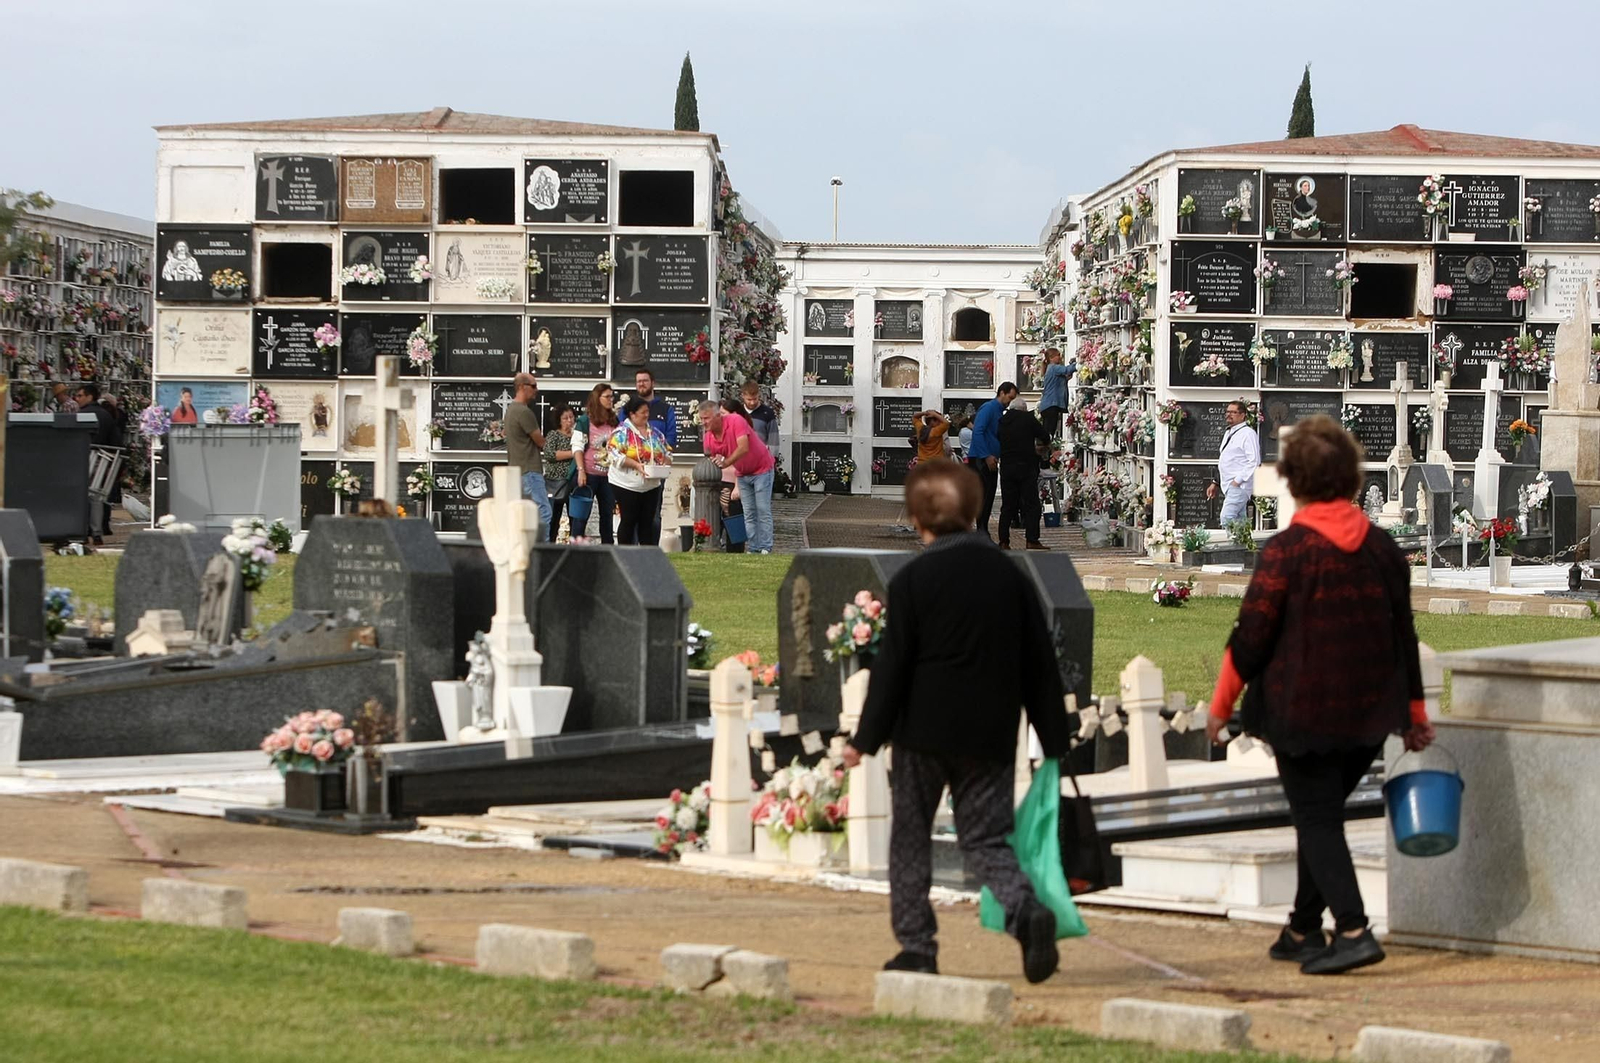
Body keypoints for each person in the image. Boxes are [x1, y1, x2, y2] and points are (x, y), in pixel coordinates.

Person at [1206, 415, 1433, 976]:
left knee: (1316, 817)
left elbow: (1251, 637)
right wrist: (1414, 712)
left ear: (1292, 480)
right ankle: (1303, 928)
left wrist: (1218, 707)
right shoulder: (1383, 549)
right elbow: (1403, 635)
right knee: (1322, 814)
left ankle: (1353, 930)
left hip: (1301, 710)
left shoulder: (1287, 551)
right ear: (1352, 479)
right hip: (1368, 714)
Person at [843, 459, 1071, 984]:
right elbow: (1039, 662)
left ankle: (917, 947)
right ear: (973, 510)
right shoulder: (1010, 576)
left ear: (918, 517)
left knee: (909, 839)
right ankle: (1024, 910)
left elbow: (893, 667)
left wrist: (866, 739)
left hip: (922, 732)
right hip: (990, 730)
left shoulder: (913, 578)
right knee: (986, 839)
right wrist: (1054, 739)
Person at [701, 398, 776, 554]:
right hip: (742, 472)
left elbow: (743, 448)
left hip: (761, 468)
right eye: (701, 419)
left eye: (706, 418)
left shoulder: (736, 421)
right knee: (748, 512)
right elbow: (711, 458)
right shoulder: (708, 437)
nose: (703, 422)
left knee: (762, 509)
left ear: (717, 416)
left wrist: (726, 461)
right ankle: (754, 548)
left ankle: (766, 547)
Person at [606, 396, 672, 545]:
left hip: (651, 483)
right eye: (643, 412)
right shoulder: (621, 433)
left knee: (647, 521)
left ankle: (646, 555)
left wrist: (665, 460)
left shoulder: (654, 433)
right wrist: (635, 464)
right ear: (632, 414)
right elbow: (613, 454)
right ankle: (626, 554)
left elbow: (667, 451)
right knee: (629, 519)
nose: (646, 415)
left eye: (647, 411)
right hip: (626, 483)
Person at [965, 382, 1017, 539]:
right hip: (981, 460)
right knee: (984, 496)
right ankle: (982, 531)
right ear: (1001, 392)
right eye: (1009, 398)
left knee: (988, 496)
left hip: (990, 459)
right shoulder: (989, 408)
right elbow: (978, 432)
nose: (1009, 402)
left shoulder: (999, 411)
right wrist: (986, 455)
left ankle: (983, 530)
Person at [997, 396, 1049, 551]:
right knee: (1032, 504)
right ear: (1023, 409)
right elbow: (1044, 436)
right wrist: (1039, 447)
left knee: (1007, 506)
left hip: (1007, 467)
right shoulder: (1028, 418)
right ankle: (1031, 540)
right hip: (1026, 467)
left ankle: (1004, 542)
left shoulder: (1002, 421)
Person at [633, 369, 678, 544]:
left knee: (653, 512)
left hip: (656, 470)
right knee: (633, 512)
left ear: (653, 383)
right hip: (633, 469)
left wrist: (661, 458)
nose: (641, 384)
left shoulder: (665, 409)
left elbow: (671, 437)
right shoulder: (629, 409)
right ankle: (634, 548)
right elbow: (621, 435)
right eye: (638, 381)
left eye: (645, 380)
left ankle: (652, 548)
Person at [503, 372, 550, 532]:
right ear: (522, 387)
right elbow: (540, 442)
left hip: (518, 470)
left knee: (524, 517)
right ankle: (541, 551)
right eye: (534, 386)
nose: (536, 390)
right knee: (543, 513)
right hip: (530, 470)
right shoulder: (524, 412)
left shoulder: (511, 409)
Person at [75, 383, 119, 545]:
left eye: (80, 396)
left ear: (89, 396)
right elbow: (116, 439)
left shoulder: (81, 415)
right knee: (97, 496)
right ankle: (97, 532)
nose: (77, 399)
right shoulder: (106, 415)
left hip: (82, 458)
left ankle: (81, 530)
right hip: (102, 459)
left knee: (81, 496)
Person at [575, 383, 619, 544]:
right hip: (589, 474)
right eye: (607, 397)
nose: (611, 400)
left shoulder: (614, 420)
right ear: (597, 398)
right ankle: (576, 546)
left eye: (612, 396)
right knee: (582, 514)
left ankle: (608, 548)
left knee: (607, 515)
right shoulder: (585, 421)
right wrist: (581, 471)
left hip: (608, 476)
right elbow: (577, 447)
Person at [1206, 399, 1259, 524]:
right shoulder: (1229, 432)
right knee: (1240, 522)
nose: (1228, 415)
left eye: (1233, 412)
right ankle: (1242, 543)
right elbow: (1226, 460)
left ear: (1242, 415)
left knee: (1227, 517)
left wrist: (1237, 481)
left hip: (1239, 485)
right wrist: (1216, 482)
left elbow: (1254, 461)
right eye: (1227, 412)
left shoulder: (1248, 434)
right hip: (1229, 485)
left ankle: (1232, 543)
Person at [541, 406, 582, 543]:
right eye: (565, 418)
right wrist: (574, 453)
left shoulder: (578, 436)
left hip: (574, 481)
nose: (569, 421)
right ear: (559, 420)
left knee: (574, 518)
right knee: (554, 517)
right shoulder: (554, 435)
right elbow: (550, 454)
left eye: (571, 417)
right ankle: (550, 544)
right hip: (556, 482)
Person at [1038, 347, 1074, 438]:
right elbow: (1066, 370)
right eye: (1058, 355)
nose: (1060, 357)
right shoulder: (1054, 367)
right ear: (1051, 358)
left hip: (1048, 405)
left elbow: (1060, 380)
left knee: (1049, 431)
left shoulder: (1051, 369)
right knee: (1049, 432)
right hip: (1051, 404)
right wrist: (1078, 364)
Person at [740, 381, 781, 458]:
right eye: (749, 399)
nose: (752, 403)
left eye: (755, 399)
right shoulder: (738, 412)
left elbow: (773, 439)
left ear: (759, 395)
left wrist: (771, 459)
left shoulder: (767, 413)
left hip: (762, 460)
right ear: (743, 396)